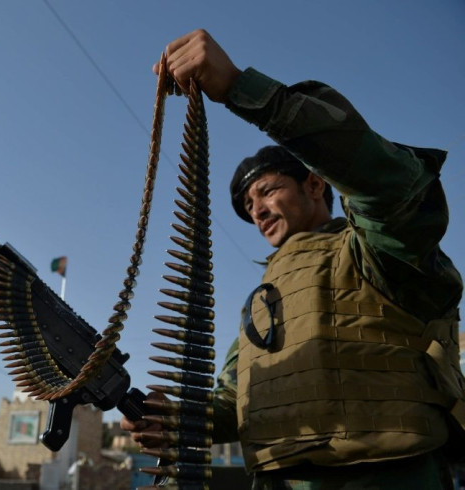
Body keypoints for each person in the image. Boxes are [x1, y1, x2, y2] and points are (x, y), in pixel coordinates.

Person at [121, 29, 465, 489]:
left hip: (387, 474)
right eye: (248, 206)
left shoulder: (375, 249)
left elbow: (389, 184)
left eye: (267, 190)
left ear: (316, 185)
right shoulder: (263, 301)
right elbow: (233, 399)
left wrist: (244, 90)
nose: (257, 210)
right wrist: (176, 417)